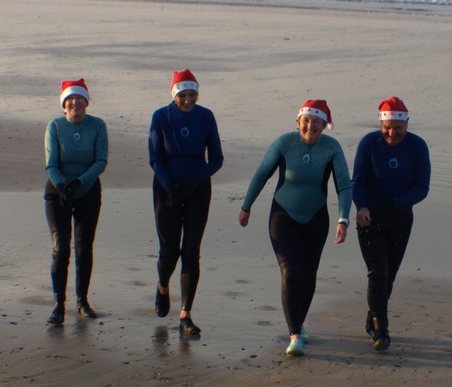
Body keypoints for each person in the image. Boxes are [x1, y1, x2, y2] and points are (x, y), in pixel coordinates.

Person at [238, 100, 352, 356]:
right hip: (283, 216)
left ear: (324, 124)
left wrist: (343, 219)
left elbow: (344, 186)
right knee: (290, 271)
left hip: (316, 219)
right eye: (306, 121)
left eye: (316, 122)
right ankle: (295, 335)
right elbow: (261, 174)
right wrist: (246, 206)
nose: (310, 126)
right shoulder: (284, 143)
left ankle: (298, 322)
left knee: (308, 275)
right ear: (298, 122)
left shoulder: (331, 148)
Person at [352, 96, 431, 351]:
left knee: (389, 275)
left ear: (407, 124)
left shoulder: (418, 146)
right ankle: (381, 331)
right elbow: (357, 182)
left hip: (400, 218)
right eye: (387, 127)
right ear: (381, 124)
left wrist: (397, 203)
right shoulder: (369, 143)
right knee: (378, 271)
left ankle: (372, 318)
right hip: (370, 217)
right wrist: (362, 206)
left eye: (397, 128)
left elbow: (422, 187)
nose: (392, 133)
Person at [148, 69, 224, 335]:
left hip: (197, 189)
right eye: (184, 95)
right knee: (169, 251)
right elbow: (155, 158)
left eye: (193, 94)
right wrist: (169, 185)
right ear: (175, 94)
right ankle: (162, 285)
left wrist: (198, 177)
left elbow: (217, 158)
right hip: (166, 188)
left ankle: (185, 314)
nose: (189, 100)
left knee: (191, 250)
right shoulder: (161, 116)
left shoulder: (206, 117)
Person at [44, 78, 109, 327]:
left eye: (79, 98)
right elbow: (51, 163)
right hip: (58, 192)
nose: (75, 103)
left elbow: (100, 161)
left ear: (86, 101)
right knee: (61, 248)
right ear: (64, 103)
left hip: (87, 190)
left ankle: (82, 301)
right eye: (70, 99)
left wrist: (79, 182)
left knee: (83, 248)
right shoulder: (55, 126)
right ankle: (58, 305)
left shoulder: (97, 125)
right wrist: (62, 185)